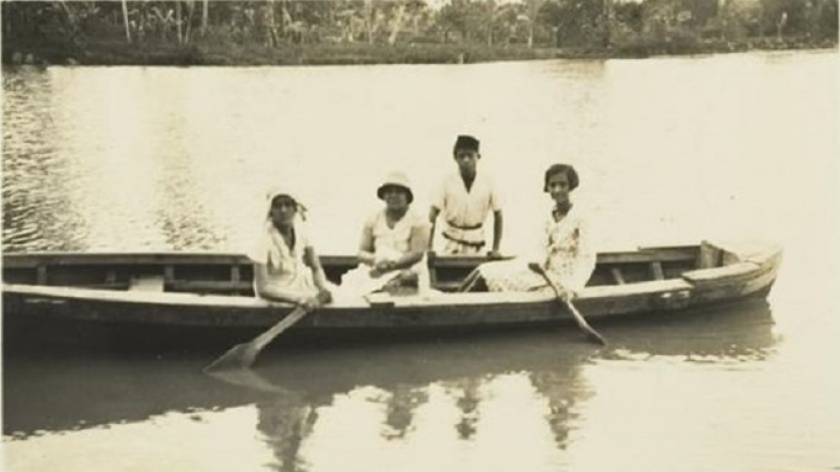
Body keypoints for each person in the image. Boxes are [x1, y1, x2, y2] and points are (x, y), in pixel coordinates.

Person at [461, 163, 595, 301]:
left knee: (488, 277)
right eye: (552, 185)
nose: (557, 190)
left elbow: (587, 259)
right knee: (484, 270)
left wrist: (572, 289)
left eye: (562, 185)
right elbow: (541, 251)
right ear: (547, 188)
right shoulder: (548, 217)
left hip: (563, 280)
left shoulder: (581, 218)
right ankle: (453, 300)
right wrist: (535, 264)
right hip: (543, 272)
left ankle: (455, 306)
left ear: (571, 186)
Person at [340, 171, 431, 296]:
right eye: (389, 191)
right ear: (383, 195)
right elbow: (361, 253)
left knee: (403, 282)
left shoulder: (418, 220)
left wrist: (392, 265)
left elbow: (417, 254)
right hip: (378, 268)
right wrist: (376, 260)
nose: (393, 195)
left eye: (399, 192)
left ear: (407, 196)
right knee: (351, 288)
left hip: (408, 270)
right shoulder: (373, 218)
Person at [248, 187, 332, 309]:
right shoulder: (262, 239)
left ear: (295, 209)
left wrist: (322, 289)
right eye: (278, 206)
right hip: (276, 294)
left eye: (287, 205)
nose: (283, 210)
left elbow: (316, 268)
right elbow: (262, 288)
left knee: (336, 297)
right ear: (271, 211)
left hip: (302, 286)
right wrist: (299, 299)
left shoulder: (302, 231)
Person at [429, 135, 504, 257]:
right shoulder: (446, 182)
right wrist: (429, 247)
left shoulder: (488, 182)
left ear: (478, 157)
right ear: (455, 158)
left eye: (470, 155)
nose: (466, 160)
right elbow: (432, 213)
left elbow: (498, 214)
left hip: (477, 244)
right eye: (461, 156)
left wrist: (496, 248)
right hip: (450, 243)